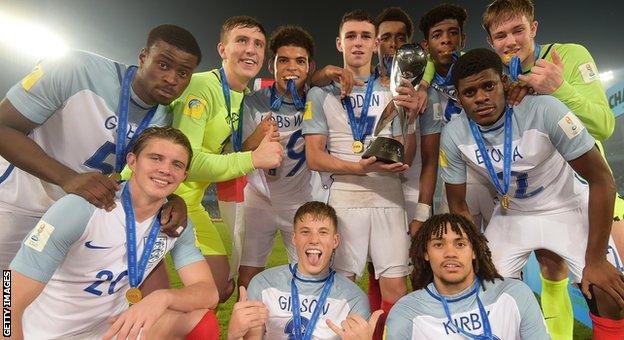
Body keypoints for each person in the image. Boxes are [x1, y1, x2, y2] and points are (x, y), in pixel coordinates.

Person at [442, 48, 624, 338]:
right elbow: (457, 204)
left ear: (504, 82)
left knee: (608, 292)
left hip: (566, 206)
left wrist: (597, 259)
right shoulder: (454, 133)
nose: (480, 97)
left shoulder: (545, 109)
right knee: (483, 292)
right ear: (459, 97)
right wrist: (473, 250)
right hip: (512, 213)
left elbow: (602, 178)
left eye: (488, 86)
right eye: (469, 92)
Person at [0, 24, 199, 270]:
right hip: (16, 205)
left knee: (50, 303)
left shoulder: (165, 118)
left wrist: (172, 200)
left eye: (183, 73)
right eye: (164, 65)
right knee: (7, 294)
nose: (171, 79)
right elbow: (3, 127)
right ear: (144, 57)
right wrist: (68, 178)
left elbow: (142, 178)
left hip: (76, 217)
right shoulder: (75, 68)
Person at [482, 1, 622, 337]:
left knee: (610, 287)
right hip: (527, 197)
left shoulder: (569, 56)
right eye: (501, 35)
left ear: (534, 28)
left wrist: (560, 89)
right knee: (548, 271)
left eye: (518, 30)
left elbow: (603, 125)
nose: (511, 41)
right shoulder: (496, 77)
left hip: (583, 191)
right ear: (491, 42)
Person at [10, 127, 220, 340]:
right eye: (156, 158)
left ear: (184, 176)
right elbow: (7, 297)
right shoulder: (80, 209)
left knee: (200, 320)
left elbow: (208, 293)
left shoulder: (174, 222)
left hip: (109, 331)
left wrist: (163, 298)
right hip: (42, 335)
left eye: (177, 164)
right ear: (133, 161)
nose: (166, 170)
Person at [303, 10, 422, 339]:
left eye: (366, 36)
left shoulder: (394, 91)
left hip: (388, 197)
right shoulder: (320, 93)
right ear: (340, 42)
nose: (358, 43)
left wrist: (410, 120)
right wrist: (358, 167)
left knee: (396, 290)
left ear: (376, 44)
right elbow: (314, 157)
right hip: (345, 199)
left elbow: (406, 156)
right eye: (351, 36)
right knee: (342, 289)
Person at [169, 16, 283, 302]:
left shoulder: (243, 97)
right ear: (222, 49)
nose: (250, 49)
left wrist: (255, 138)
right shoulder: (201, 87)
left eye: (258, 44)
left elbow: (226, 152)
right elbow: (187, 163)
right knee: (135, 293)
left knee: (221, 287)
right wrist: (254, 158)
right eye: (241, 41)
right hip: (160, 197)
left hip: (190, 203)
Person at [237, 25, 316, 288]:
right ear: (272, 65)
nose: (291, 67)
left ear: (309, 67)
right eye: (283, 60)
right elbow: (240, 154)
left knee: (307, 275)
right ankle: (244, 329)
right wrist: (258, 136)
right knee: (247, 277)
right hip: (260, 199)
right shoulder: (254, 101)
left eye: (299, 61)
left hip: (301, 202)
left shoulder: (319, 101)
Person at [228, 201, 376, 339]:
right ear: (294, 238)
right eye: (305, 232)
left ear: (335, 241)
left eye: (323, 232)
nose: (314, 240)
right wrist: (234, 335)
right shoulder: (263, 284)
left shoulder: (353, 298)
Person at [386, 213, 549, 339]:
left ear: (473, 251)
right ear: (426, 253)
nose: (450, 253)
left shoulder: (515, 294)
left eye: (460, 244)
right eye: (438, 244)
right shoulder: (406, 313)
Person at [417, 4, 498, 232]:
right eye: (437, 35)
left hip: (493, 173)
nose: (446, 40)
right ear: (426, 45)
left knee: (503, 259)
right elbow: (429, 156)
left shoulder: (482, 74)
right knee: (460, 251)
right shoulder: (421, 87)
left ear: (462, 39)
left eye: (453, 33)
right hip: (452, 182)